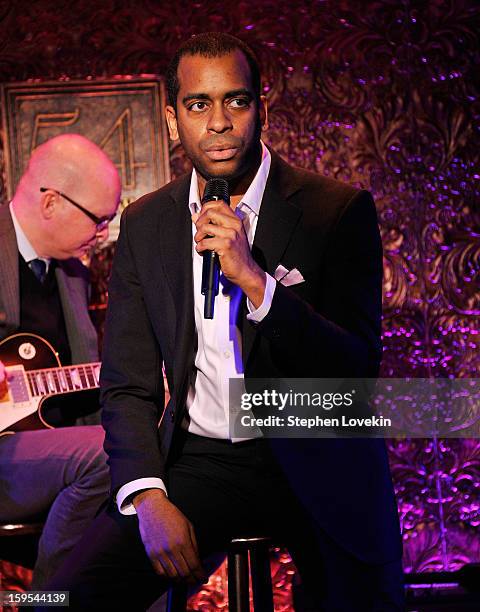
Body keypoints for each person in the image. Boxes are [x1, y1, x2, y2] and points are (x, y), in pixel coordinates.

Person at [46, 34, 404, 611]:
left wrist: (256, 282)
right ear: (171, 119)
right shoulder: (147, 224)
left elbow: (356, 370)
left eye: (236, 102)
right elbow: (129, 385)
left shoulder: (334, 210)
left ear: (261, 108)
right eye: (197, 104)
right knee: (60, 598)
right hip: (205, 462)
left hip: (317, 455)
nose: (218, 122)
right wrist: (146, 496)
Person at [0, 134, 121, 589]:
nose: (103, 232)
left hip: (55, 456)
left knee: (140, 452)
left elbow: (83, 386)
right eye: (99, 218)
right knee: (110, 453)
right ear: (50, 202)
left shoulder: (72, 273)